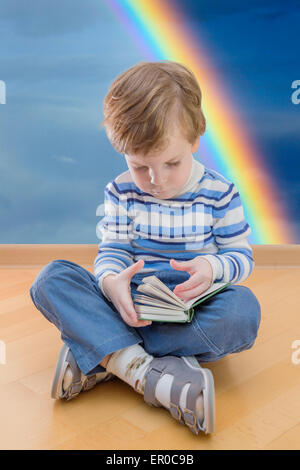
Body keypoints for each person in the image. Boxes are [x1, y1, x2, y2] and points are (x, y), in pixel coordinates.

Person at [29, 61, 261, 435]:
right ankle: (150, 370)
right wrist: (109, 282)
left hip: (190, 307)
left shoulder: (220, 193)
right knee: (51, 279)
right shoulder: (121, 191)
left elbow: (241, 256)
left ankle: (105, 354)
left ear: (195, 139)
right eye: (140, 167)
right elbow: (114, 249)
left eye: (172, 163)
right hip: (130, 304)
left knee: (243, 311)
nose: (157, 181)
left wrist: (212, 268)